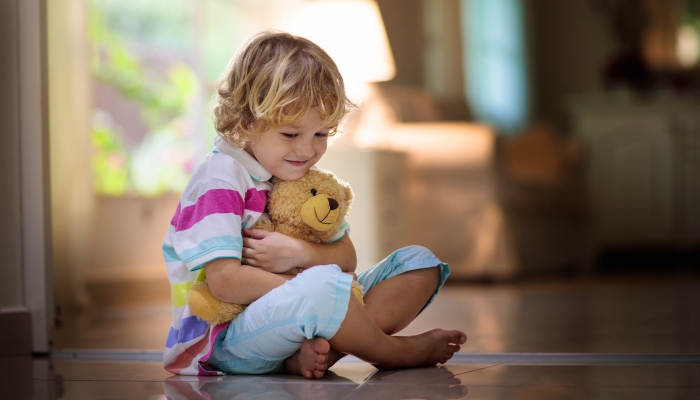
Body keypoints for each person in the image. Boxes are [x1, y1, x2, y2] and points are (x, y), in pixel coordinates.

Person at [162, 31, 466, 378]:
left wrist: (300, 254)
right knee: (324, 288)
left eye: (321, 134)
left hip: (297, 314)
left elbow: (346, 257)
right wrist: (316, 291)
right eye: (291, 134)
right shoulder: (219, 179)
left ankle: (316, 353)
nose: (307, 151)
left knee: (419, 262)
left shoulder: (294, 173)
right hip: (225, 342)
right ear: (247, 122)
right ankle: (393, 351)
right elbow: (225, 284)